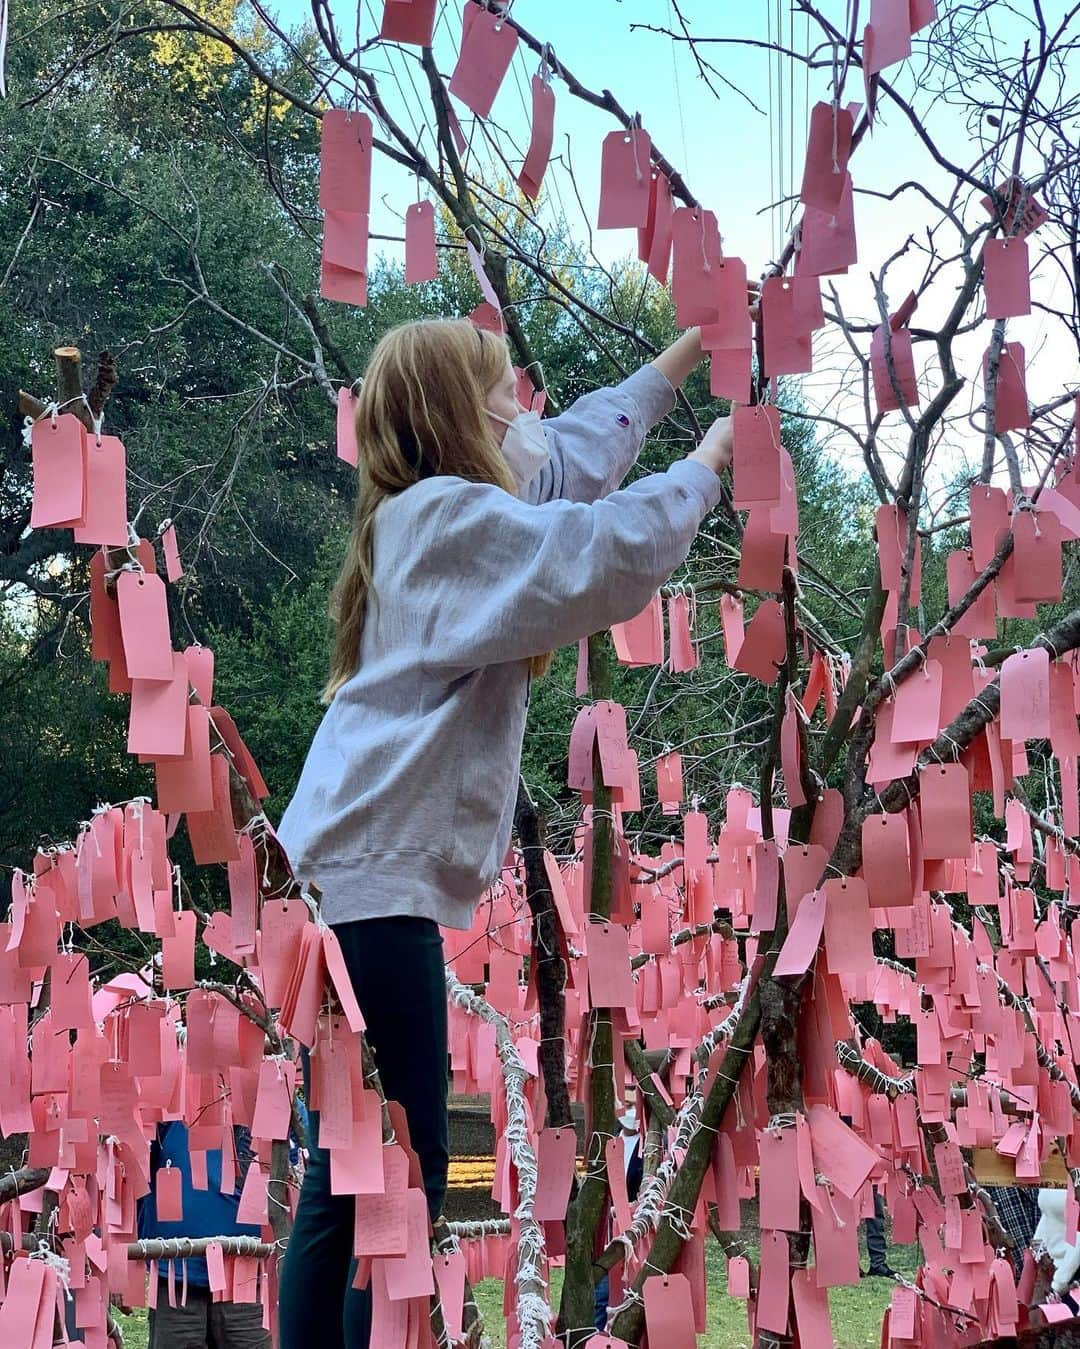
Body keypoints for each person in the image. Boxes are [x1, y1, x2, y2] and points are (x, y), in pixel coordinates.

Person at [274, 317, 738, 1349]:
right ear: (460, 414)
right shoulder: (447, 523)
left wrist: (684, 356)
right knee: (403, 1162)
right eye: (503, 393)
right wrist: (709, 466)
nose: (521, 408)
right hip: (368, 882)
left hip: (344, 873)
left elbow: (568, 453)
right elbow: (598, 553)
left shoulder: (431, 516)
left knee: (351, 1166)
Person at [137, 1121, 271, 1349]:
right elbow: (129, 1173)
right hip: (176, 1277)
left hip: (248, 1277)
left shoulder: (267, 1092)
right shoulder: (164, 1103)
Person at [594, 1107, 645, 1329]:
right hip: (606, 1231)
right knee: (601, 1293)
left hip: (635, 1231)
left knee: (628, 1291)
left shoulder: (652, 1146)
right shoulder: (608, 1141)